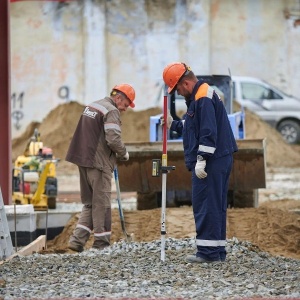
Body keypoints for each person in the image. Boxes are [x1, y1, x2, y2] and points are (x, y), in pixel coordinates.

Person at [162, 62, 238, 263]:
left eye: (177, 89)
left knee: (206, 204)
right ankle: (217, 251)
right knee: (216, 205)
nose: (178, 93)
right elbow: (194, 125)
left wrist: (201, 159)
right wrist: (174, 124)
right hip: (221, 157)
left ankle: (208, 253)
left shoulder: (202, 98)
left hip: (212, 160)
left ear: (185, 83)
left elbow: (207, 132)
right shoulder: (201, 95)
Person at [66, 83, 136, 252]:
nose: (125, 109)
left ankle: (77, 241)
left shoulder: (92, 106)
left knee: (90, 203)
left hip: (82, 159)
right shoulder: (111, 111)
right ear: (118, 98)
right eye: (126, 105)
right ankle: (101, 244)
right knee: (102, 203)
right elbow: (113, 138)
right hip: (98, 163)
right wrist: (123, 153)